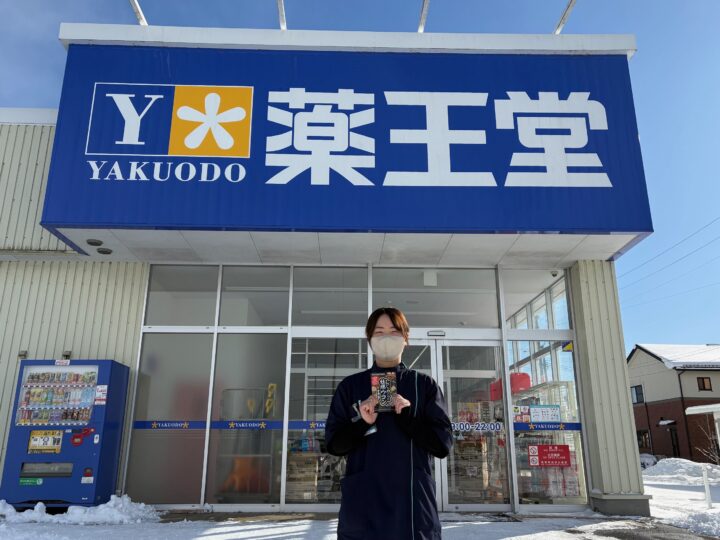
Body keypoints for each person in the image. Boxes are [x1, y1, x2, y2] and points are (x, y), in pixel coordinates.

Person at [325, 307, 452, 540]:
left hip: (412, 505)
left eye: (394, 332)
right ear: (369, 339)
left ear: (406, 338)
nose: (386, 338)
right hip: (364, 504)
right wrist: (362, 423)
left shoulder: (423, 385)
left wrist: (408, 418)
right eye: (379, 332)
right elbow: (334, 445)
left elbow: (442, 446)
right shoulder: (350, 387)